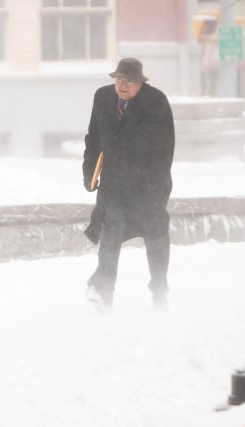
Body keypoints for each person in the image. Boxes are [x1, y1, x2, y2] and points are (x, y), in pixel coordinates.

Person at [82, 57, 175, 311]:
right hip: (114, 186)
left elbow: (165, 149)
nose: (123, 85)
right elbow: (94, 138)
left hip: (148, 187)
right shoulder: (102, 98)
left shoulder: (156, 102)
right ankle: (102, 293)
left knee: (155, 237)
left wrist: (155, 189)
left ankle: (159, 292)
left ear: (140, 84)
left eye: (129, 81)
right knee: (109, 236)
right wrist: (89, 173)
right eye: (119, 80)